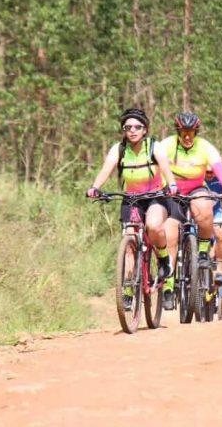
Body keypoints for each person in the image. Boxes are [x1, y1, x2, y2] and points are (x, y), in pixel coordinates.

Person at [86, 108, 178, 310]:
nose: (133, 131)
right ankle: (127, 290)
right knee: (129, 243)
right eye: (128, 127)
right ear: (124, 130)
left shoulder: (154, 147)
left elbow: (166, 169)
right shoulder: (118, 149)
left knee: (154, 226)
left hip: (155, 197)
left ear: (145, 130)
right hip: (131, 199)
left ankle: (164, 261)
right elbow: (106, 170)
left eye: (137, 127)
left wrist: (171, 185)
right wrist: (95, 188)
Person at [161, 112, 222, 310]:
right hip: (172, 191)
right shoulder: (167, 145)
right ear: (178, 131)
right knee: (169, 236)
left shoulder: (205, 146)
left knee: (205, 208)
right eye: (184, 132)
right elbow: (154, 165)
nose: (187, 137)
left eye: (191, 133)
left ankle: (202, 252)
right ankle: (168, 287)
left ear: (196, 132)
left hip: (196, 188)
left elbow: (220, 169)